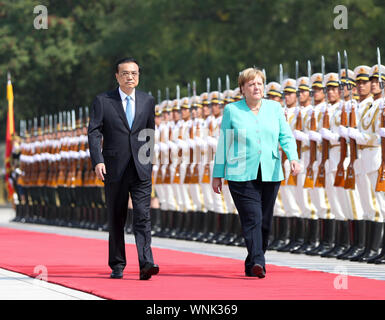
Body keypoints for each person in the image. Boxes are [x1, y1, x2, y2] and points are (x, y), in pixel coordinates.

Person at [211, 67, 300, 278]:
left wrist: (293, 157)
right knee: (253, 217)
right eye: (251, 84)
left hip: (270, 170)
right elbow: (225, 142)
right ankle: (259, 261)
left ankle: (252, 261)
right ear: (242, 89)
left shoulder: (275, 108)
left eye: (259, 83)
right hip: (240, 173)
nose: (256, 87)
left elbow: (285, 136)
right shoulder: (233, 110)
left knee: (265, 221)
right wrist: (217, 174)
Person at [88, 57, 159, 280]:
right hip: (113, 167)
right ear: (117, 76)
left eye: (134, 73)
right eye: (126, 73)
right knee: (117, 217)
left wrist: (149, 162)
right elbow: (94, 132)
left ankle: (146, 262)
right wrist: (98, 160)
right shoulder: (103, 101)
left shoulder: (147, 100)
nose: (130, 77)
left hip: (141, 169)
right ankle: (117, 264)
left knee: (143, 215)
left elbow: (149, 132)